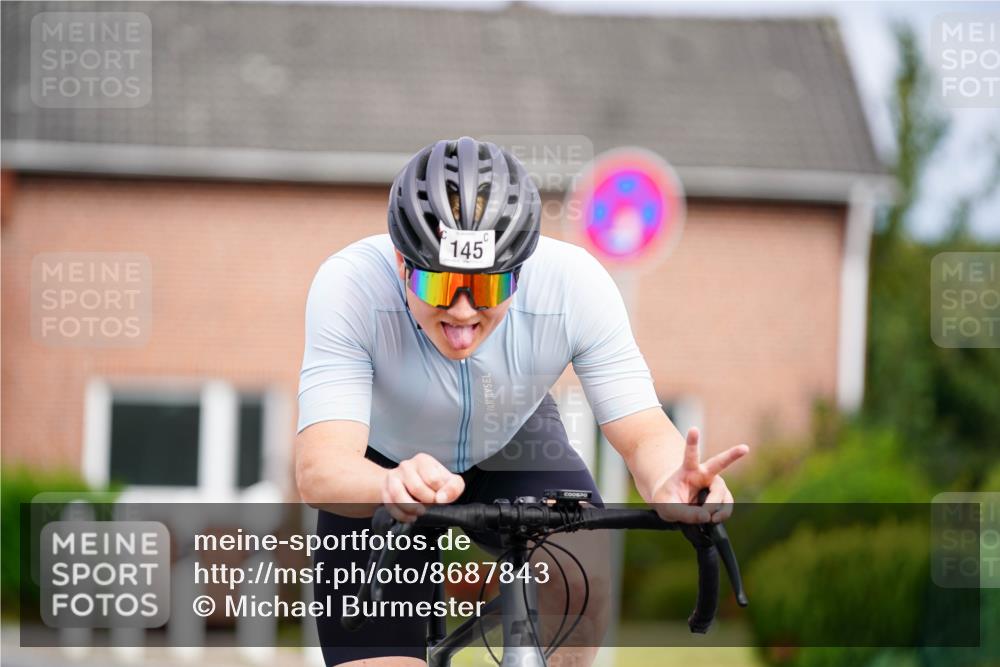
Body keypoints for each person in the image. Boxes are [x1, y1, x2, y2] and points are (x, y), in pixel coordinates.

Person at [295, 136, 749, 667]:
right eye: (439, 285)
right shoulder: (350, 286)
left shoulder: (575, 285)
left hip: (511, 440)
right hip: (379, 466)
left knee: (583, 575)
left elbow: (645, 432)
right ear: (401, 262)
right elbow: (320, 468)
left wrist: (672, 479)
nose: (462, 317)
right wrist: (386, 483)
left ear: (521, 269)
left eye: (487, 290)